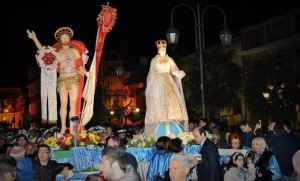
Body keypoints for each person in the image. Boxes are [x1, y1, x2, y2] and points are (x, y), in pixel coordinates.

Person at [27, 27, 93, 134]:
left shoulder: (75, 51)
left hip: (73, 78)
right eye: (63, 37)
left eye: (67, 37)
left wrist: (87, 73)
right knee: (63, 103)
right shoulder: (56, 52)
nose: (65, 39)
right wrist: (34, 38)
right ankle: (63, 128)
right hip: (62, 79)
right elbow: (43, 50)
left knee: (73, 103)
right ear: (60, 40)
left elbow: (81, 67)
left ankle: (72, 128)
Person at [144, 39, 188, 137]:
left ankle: (172, 115)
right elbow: (151, 72)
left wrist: (178, 73)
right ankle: (161, 116)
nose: (162, 49)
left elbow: (173, 68)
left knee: (171, 97)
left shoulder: (169, 59)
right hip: (158, 81)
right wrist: (153, 82)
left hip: (168, 80)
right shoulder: (154, 60)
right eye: (161, 48)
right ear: (158, 49)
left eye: (164, 48)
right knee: (159, 98)